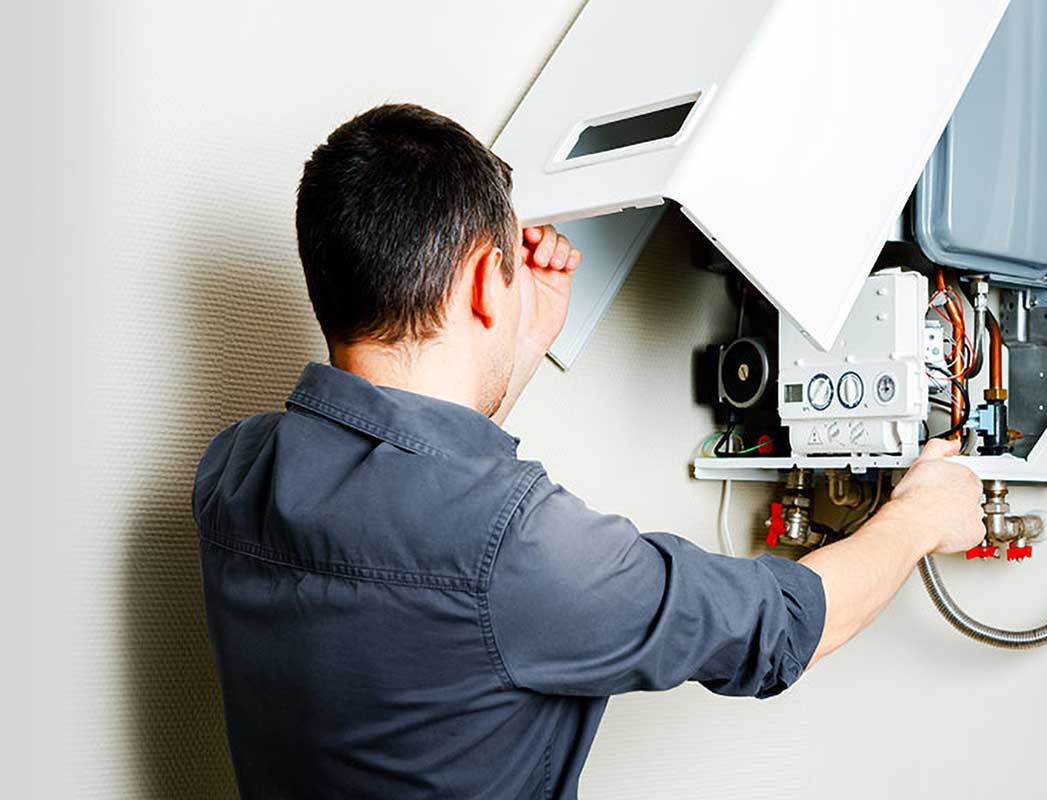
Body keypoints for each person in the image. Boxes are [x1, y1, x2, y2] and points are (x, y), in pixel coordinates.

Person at [193, 104, 983, 799]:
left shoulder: (235, 470)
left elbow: (419, 492)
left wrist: (522, 339)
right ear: (479, 281)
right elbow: (783, 629)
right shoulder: (519, 550)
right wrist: (919, 516)